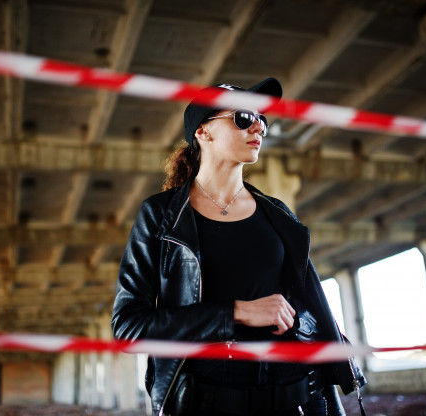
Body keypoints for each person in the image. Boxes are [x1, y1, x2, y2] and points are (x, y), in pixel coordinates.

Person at [111, 77, 366, 416]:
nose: (258, 127)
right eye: (244, 118)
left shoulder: (278, 215)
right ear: (203, 131)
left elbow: (309, 307)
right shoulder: (161, 216)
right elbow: (129, 327)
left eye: (262, 119)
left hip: (300, 400)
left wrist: (301, 325)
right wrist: (236, 312)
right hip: (208, 404)